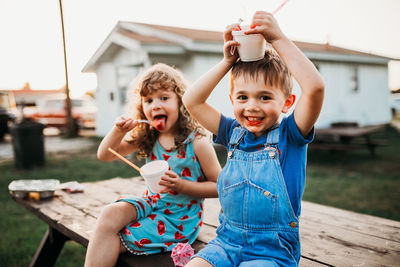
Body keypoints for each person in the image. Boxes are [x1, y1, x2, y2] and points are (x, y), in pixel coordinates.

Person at [183, 11, 325, 267]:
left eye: (265, 97)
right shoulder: (231, 132)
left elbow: (315, 87)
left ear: (287, 102)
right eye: (242, 97)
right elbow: (191, 100)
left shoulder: (291, 135)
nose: (252, 107)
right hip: (226, 243)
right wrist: (228, 61)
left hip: (271, 251)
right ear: (232, 100)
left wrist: (278, 37)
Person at [84, 63, 221, 267]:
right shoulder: (148, 136)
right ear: (141, 107)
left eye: (164, 98)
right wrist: (118, 131)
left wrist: (182, 186)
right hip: (151, 204)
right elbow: (104, 154)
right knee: (109, 214)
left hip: (178, 217)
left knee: (114, 235)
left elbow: (220, 186)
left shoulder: (197, 142)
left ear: (182, 102)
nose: (155, 105)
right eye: (148, 100)